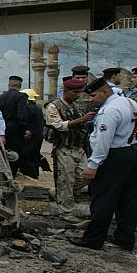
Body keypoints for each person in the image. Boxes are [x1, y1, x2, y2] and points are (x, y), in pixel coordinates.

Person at [67, 78, 137, 251]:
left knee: (103, 198)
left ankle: (93, 238)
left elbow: (103, 140)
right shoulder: (130, 102)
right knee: (128, 198)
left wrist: (93, 164)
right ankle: (125, 238)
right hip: (131, 152)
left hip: (114, 156)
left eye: (93, 95)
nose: (91, 99)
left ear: (105, 92)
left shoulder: (109, 111)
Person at [45, 78, 97, 218]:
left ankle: (59, 193)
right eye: (75, 92)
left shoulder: (76, 105)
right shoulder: (53, 106)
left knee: (86, 176)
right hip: (65, 148)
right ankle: (66, 213)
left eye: (80, 92)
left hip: (79, 147)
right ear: (66, 91)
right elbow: (58, 125)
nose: (78, 95)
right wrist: (81, 119)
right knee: (66, 180)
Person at [0, 75, 30, 175]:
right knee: (14, 155)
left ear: (9, 85)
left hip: (1, 129)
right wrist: (25, 129)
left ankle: (3, 175)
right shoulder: (21, 97)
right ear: (19, 86)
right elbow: (22, 115)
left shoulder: (0, 97)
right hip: (15, 130)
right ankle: (11, 175)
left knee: (3, 152)